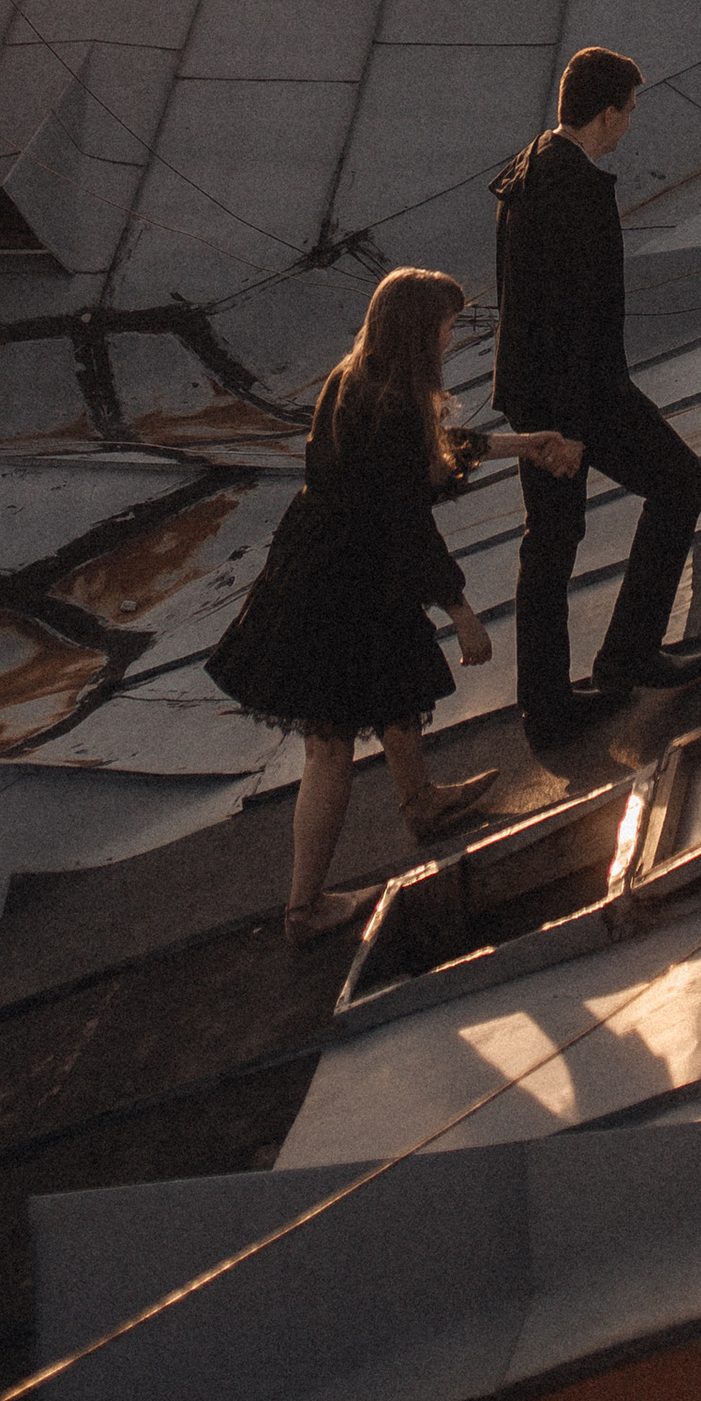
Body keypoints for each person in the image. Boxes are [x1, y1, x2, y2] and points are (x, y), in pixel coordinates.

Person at [207, 266, 581, 945]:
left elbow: (429, 462)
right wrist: (460, 609)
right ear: (418, 333)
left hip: (332, 566)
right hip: (341, 583)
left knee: (389, 687)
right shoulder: (389, 408)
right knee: (330, 748)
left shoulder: (358, 381)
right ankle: (304, 908)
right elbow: (409, 515)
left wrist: (525, 443)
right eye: (443, 326)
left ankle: (421, 802)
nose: (449, 337)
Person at [490, 45, 701, 754]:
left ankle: (582, 683)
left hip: (555, 393)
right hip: (573, 397)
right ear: (607, 112)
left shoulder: (537, 166)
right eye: (630, 113)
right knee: (667, 488)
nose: (630, 126)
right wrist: (568, 431)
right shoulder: (569, 187)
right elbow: (568, 317)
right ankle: (583, 686)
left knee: (555, 543)